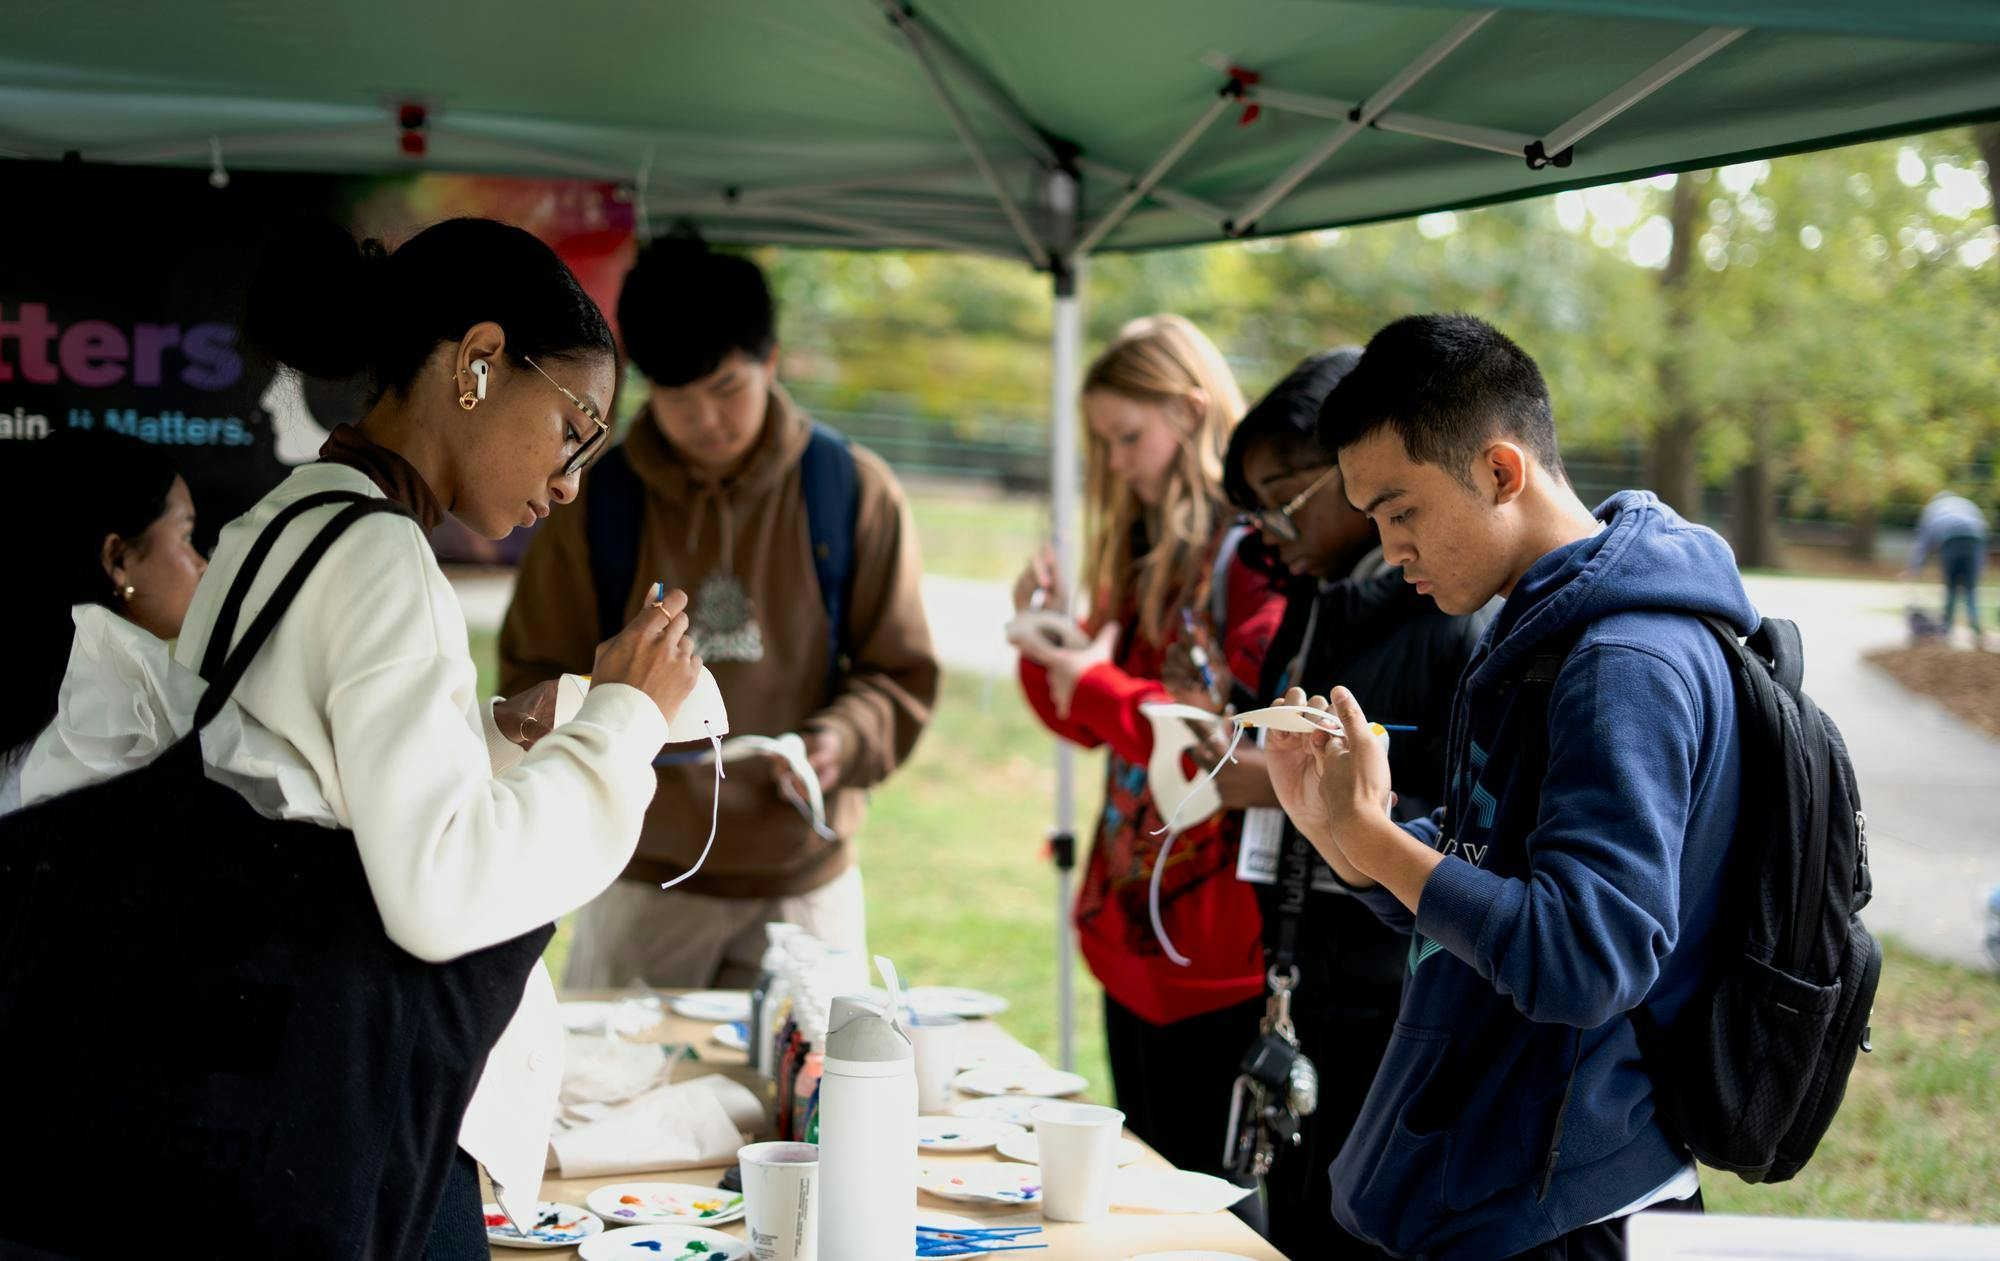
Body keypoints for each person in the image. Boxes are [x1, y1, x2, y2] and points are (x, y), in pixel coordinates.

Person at [23, 217, 704, 1259]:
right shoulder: (383, 557)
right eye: (576, 426)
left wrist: (483, 734)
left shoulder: (282, 524)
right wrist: (624, 720)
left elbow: (290, 779)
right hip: (333, 1109)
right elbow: (441, 893)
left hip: (228, 1090)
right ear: (479, 363)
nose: (570, 480)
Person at [1265, 314, 1751, 1260]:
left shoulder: (1624, 661)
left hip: (1563, 1204)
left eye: (1402, 510)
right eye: (1371, 519)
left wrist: (1379, 845)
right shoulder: (1537, 631)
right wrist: (1347, 837)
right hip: (1499, 1179)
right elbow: (1491, 874)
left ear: (1500, 470)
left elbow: (1584, 957)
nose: (1389, 548)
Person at [501, 236, 938, 990]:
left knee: (807, 1100)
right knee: (617, 1091)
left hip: (803, 882)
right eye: (678, 395)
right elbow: (535, 674)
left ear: (771, 361)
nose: (706, 418)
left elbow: (898, 672)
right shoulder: (593, 501)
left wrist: (842, 739)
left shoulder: (851, 490)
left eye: (728, 388)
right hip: (640, 877)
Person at [1209, 348, 1488, 1259]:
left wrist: (1349, 809)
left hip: (1393, 1001)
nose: (1265, 523)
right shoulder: (1313, 602)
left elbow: (1478, 829)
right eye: (1252, 502)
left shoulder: (1451, 613)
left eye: (1283, 491)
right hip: (1302, 981)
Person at [1011, 314, 1285, 1196]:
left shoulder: (1254, 556)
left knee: (1211, 1204)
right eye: (1105, 441)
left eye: (1129, 436)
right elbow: (1098, 728)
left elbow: (1225, 747)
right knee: (1149, 1188)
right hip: (1135, 929)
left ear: (1193, 410)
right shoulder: (1146, 549)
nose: (1117, 461)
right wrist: (1045, 646)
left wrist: (1091, 680)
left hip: (1215, 949)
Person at [2, 431, 205, 813]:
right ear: (117, 560)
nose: (201, 565)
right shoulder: (121, 710)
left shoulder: (46, 682)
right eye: (186, 536)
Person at [1905, 489, 1988, 645]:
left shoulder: (1933, 508)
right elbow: (1982, 531)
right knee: (1970, 589)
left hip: (1950, 540)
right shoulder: (1967, 504)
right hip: (1974, 540)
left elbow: (1922, 545)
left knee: (1951, 589)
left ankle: (1947, 632)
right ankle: (1976, 632)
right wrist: (1981, 566)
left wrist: (1914, 571)